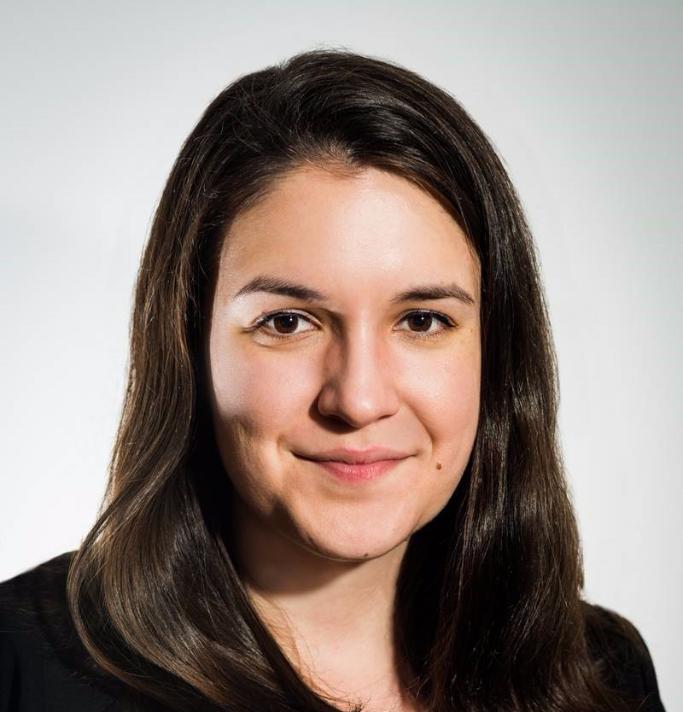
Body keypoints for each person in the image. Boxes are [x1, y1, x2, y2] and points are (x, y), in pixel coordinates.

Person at [0, 48, 666, 712]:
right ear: (189, 345)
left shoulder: (601, 672)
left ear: (497, 351)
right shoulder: (19, 667)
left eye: (423, 320)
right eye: (288, 322)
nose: (359, 399)